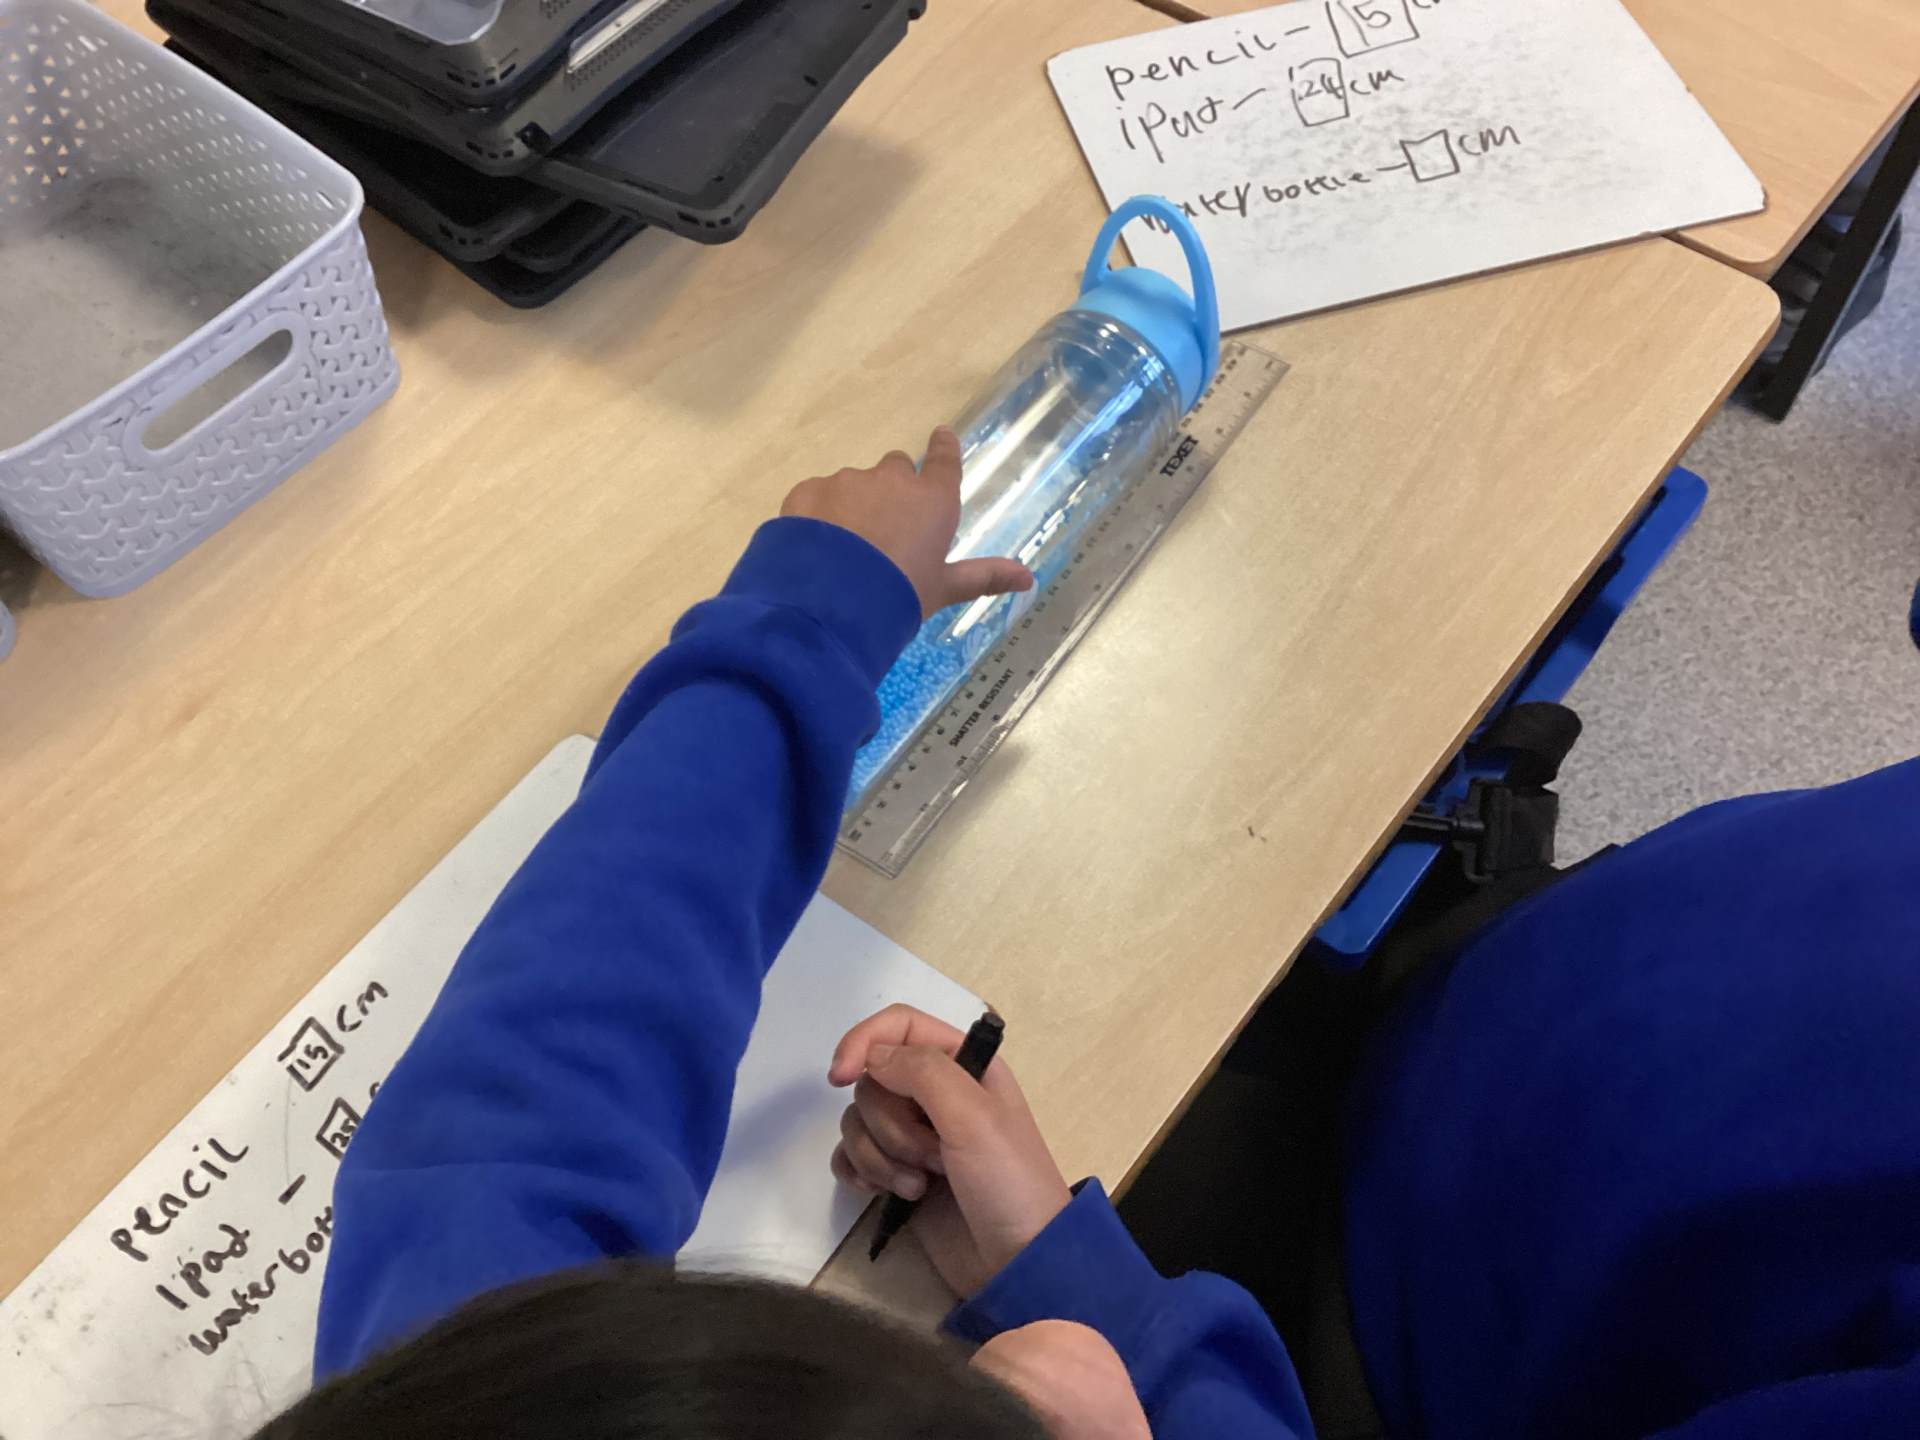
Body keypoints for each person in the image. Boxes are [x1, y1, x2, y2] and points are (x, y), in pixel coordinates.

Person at [272, 428, 1313, 1439]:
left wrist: (812, 614)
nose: (1078, 1379)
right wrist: (1088, 1297)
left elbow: (506, 1163)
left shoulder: (462, 1380)